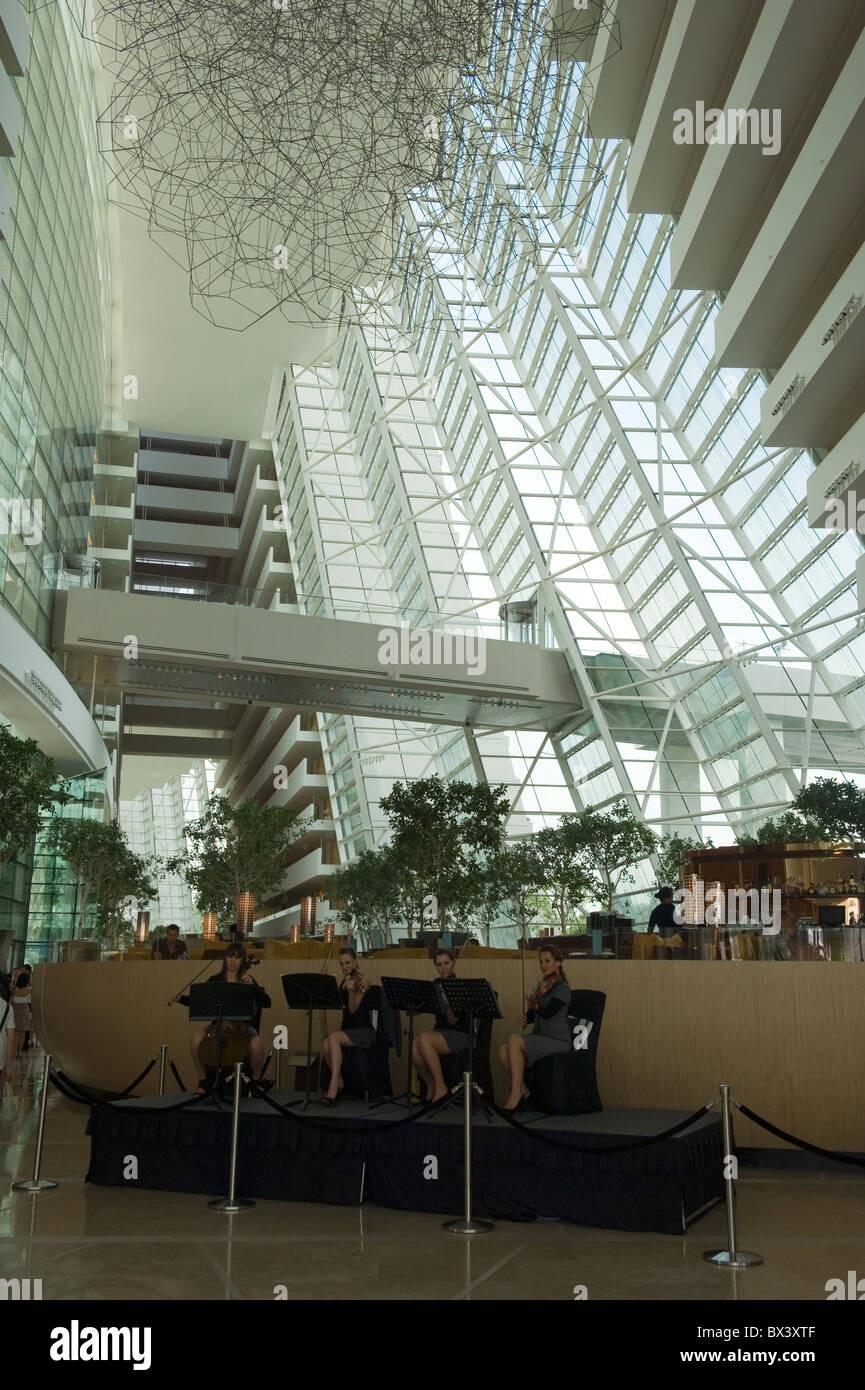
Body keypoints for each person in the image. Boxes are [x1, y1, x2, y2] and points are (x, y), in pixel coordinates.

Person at [172, 944, 270, 1095]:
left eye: (237, 957)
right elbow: (199, 1000)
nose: (232, 961)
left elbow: (267, 1002)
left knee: (257, 1045)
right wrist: (180, 999)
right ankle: (203, 1081)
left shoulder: (248, 980)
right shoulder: (215, 980)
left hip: (243, 1027)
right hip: (218, 1025)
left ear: (242, 960)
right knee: (196, 1039)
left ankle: (256, 1082)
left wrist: (254, 987)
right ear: (225, 958)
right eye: (230, 956)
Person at [498, 946, 571, 1111]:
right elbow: (534, 1015)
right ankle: (523, 1090)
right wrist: (528, 1014)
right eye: (541, 962)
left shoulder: (563, 989)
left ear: (558, 963)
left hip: (557, 1041)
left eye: (547, 961)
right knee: (503, 1051)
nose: (543, 965)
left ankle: (515, 1093)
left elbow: (548, 1012)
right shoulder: (542, 987)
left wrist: (535, 1005)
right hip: (540, 1037)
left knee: (514, 1040)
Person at [411, 948, 470, 1103]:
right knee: (414, 1046)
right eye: (439, 965)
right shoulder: (436, 984)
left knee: (423, 1039)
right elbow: (424, 1008)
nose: (443, 968)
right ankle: (430, 1085)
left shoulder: (459, 985)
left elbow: (453, 1021)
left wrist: (449, 1004)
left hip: (460, 1033)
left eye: (446, 963)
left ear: (453, 964)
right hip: (440, 1033)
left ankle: (441, 1086)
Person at [320, 947, 374, 1105]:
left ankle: (333, 1088)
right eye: (342, 963)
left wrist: (351, 992)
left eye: (348, 962)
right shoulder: (345, 980)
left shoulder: (363, 980)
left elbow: (353, 1008)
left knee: (333, 1038)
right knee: (325, 1044)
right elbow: (338, 1004)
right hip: (348, 1029)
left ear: (356, 961)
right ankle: (340, 1083)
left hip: (363, 1030)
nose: (345, 967)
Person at [10, 965, 32, 1061]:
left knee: (16, 1033)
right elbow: (30, 1002)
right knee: (22, 1033)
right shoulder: (28, 991)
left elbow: (11, 1002)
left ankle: (13, 1052)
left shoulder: (14, 990)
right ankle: (19, 1052)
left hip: (15, 1014)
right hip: (24, 1014)